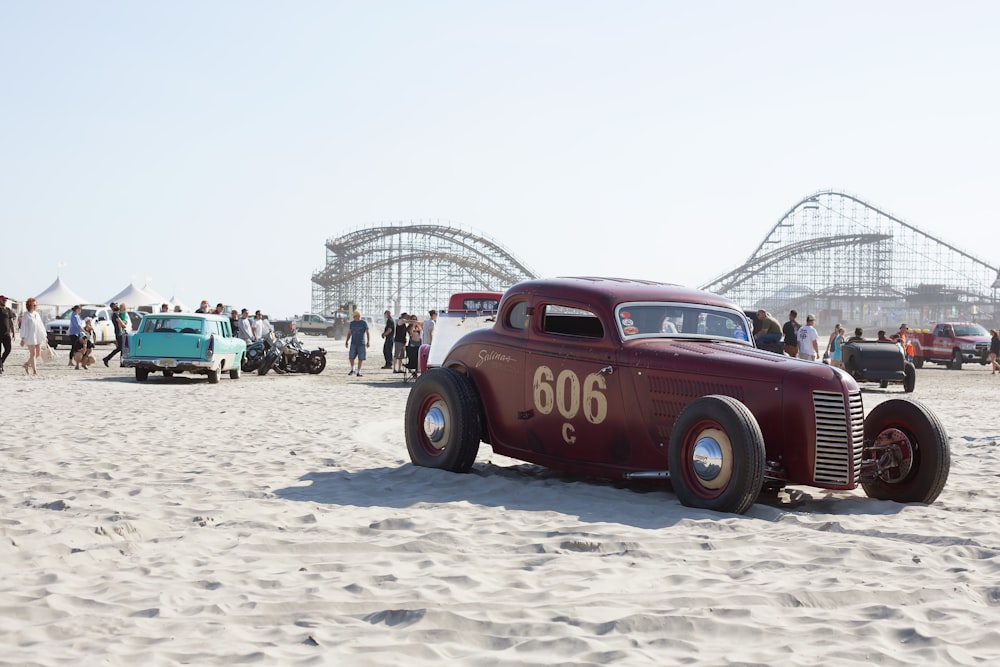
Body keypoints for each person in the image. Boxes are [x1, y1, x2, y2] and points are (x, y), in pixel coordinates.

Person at [19, 297, 46, 375]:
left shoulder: (37, 314)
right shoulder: (26, 315)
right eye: (33, 305)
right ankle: (35, 371)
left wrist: (45, 336)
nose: (35, 306)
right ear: (29, 305)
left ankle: (27, 364)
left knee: (38, 353)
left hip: (38, 336)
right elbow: (23, 327)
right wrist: (23, 338)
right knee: (33, 354)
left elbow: (41, 325)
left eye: (36, 305)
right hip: (30, 336)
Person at [345, 310, 370, 376]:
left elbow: (367, 332)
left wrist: (368, 342)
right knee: (351, 357)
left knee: (360, 358)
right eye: (354, 316)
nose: (355, 317)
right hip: (353, 343)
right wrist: (347, 341)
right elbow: (349, 333)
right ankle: (353, 369)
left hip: (361, 343)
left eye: (356, 316)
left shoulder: (364, 323)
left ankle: (359, 371)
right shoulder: (352, 323)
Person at [0, 294, 15, 375]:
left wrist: (13, 333)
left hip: (6, 334)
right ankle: (0, 367)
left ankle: (1, 362)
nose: (4, 301)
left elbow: (11, 322)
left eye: (5, 300)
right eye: (3, 300)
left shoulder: (8, 310)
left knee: (8, 349)